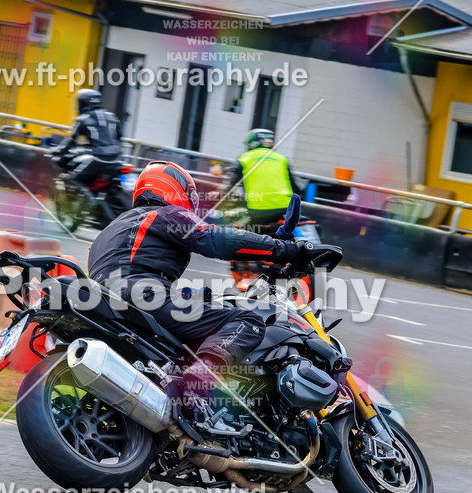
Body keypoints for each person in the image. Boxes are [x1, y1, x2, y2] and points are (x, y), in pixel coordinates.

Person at [88, 161, 317, 440]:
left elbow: (133, 270)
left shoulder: (111, 229)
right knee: (248, 321)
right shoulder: (165, 214)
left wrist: (196, 297)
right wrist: (283, 249)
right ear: (175, 189)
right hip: (142, 297)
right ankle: (198, 382)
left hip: (109, 303)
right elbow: (215, 239)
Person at [52, 89, 123, 191]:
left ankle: (85, 199)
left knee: (72, 179)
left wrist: (58, 150)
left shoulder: (83, 119)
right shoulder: (112, 116)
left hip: (98, 158)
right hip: (117, 158)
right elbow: (119, 136)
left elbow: (70, 140)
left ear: (81, 103)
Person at [235, 128, 306, 226]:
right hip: (285, 209)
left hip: (257, 211)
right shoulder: (282, 159)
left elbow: (231, 186)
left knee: (235, 228)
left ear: (252, 142)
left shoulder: (244, 159)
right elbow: (297, 188)